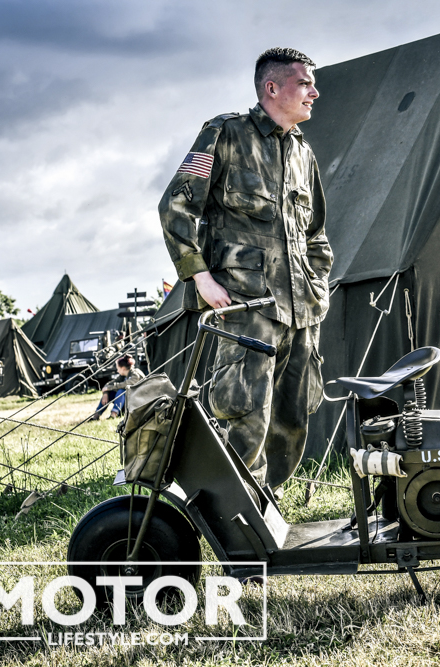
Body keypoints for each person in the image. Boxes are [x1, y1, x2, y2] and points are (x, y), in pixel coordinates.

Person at [159, 47, 332, 488]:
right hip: (246, 306)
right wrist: (200, 278)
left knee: (292, 417)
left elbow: (316, 235)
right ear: (272, 88)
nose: (314, 92)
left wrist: (318, 285)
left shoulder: (303, 154)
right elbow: (176, 207)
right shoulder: (225, 134)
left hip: (301, 311)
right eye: (304, 83)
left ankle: (267, 503)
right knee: (245, 413)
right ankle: (237, 515)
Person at [89, 354, 145, 421]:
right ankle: (96, 415)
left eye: (118, 368)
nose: (117, 371)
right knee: (111, 393)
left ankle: (114, 414)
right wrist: (106, 393)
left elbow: (126, 384)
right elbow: (110, 383)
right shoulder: (123, 375)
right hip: (128, 403)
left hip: (137, 405)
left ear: (123, 368)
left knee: (121, 391)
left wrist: (109, 388)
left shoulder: (135, 374)